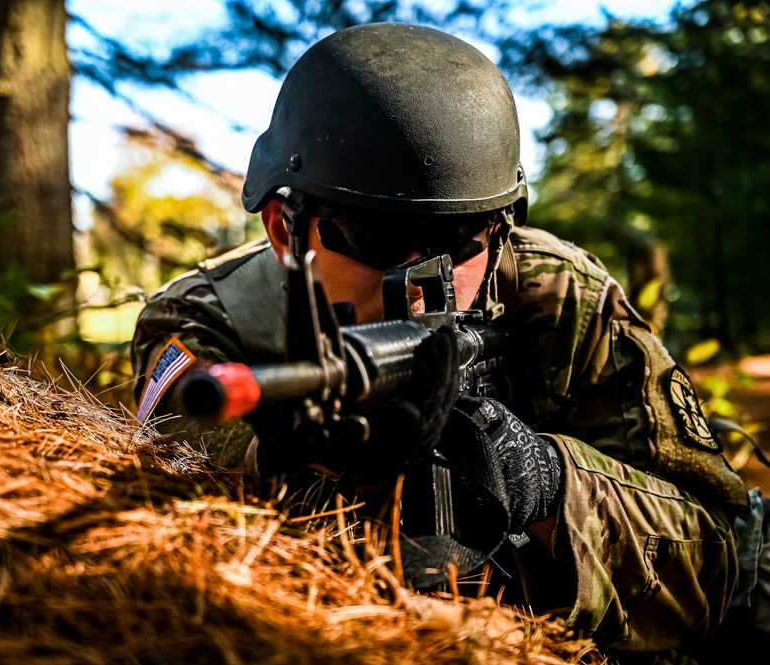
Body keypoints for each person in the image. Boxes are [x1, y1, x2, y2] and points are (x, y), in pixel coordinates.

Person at [131, 23, 764, 657]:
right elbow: (177, 503)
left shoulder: (558, 295)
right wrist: (313, 461)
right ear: (282, 230)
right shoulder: (209, 322)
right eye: (373, 236)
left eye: (461, 238)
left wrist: (542, 482)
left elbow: (711, 564)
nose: (420, 282)